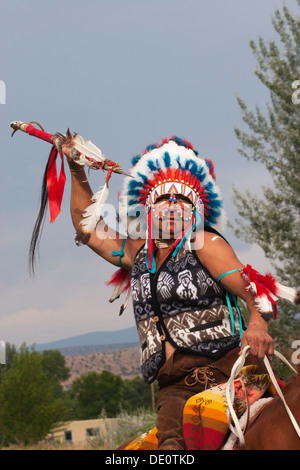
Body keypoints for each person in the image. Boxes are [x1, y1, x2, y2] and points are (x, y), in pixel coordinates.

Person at [61, 136, 274, 450]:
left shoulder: (205, 244)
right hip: (174, 385)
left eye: (183, 200)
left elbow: (255, 288)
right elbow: (87, 227)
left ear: (193, 208)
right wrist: (76, 167)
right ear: (148, 207)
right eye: (164, 199)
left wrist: (257, 322)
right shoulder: (139, 254)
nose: (173, 206)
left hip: (223, 372)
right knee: (164, 448)